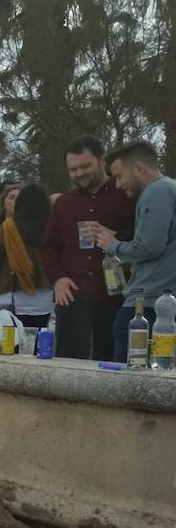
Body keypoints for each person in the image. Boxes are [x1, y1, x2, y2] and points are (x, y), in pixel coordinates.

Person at [40, 135, 135, 360]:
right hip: (73, 298)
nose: (79, 173)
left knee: (114, 366)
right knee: (68, 367)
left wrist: (116, 238)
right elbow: (48, 246)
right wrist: (58, 278)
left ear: (101, 161)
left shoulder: (127, 194)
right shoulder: (64, 203)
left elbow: (144, 239)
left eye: (85, 166)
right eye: (73, 169)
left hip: (118, 297)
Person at [93, 141, 176, 363]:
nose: (118, 185)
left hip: (146, 307)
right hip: (164, 305)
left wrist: (113, 245)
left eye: (119, 177)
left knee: (130, 384)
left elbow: (149, 246)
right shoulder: (171, 188)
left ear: (139, 168)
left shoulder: (156, 192)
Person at [0, 184, 53, 328]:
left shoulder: (8, 228)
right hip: (43, 297)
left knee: (10, 345)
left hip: (10, 297)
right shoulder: (52, 227)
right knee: (36, 341)